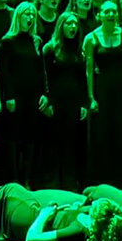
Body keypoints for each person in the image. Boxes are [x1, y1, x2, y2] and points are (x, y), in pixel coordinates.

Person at [84, 0, 122, 187]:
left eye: (114, 12)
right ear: (99, 14)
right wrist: (91, 97)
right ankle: (101, 178)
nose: (111, 15)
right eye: (107, 11)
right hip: (102, 91)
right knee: (101, 132)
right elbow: (88, 70)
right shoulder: (91, 38)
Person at [0, 183, 122, 241]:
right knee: (16, 200)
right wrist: (72, 210)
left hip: (31, 220)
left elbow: (32, 238)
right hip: (32, 218)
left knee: (10, 189)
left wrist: (44, 215)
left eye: (93, 206)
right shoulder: (92, 227)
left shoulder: (79, 230)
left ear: (97, 218)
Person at [0, 1, 49, 188]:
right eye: (26, 14)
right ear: (18, 16)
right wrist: (9, 96)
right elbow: (5, 71)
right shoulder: (8, 41)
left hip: (33, 95)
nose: (30, 18)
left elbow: (41, 70)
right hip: (16, 95)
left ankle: (27, 178)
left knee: (30, 137)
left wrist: (45, 93)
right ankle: (13, 178)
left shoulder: (36, 41)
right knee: (14, 136)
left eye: (32, 15)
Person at [42, 12, 87, 191]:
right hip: (55, 101)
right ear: (62, 26)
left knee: (71, 143)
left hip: (73, 102)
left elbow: (82, 78)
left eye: (75, 24)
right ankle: (50, 182)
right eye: (69, 24)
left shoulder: (78, 49)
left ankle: (69, 183)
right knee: (52, 143)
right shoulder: (50, 48)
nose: (73, 27)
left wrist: (84, 103)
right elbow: (44, 76)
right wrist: (48, 100)